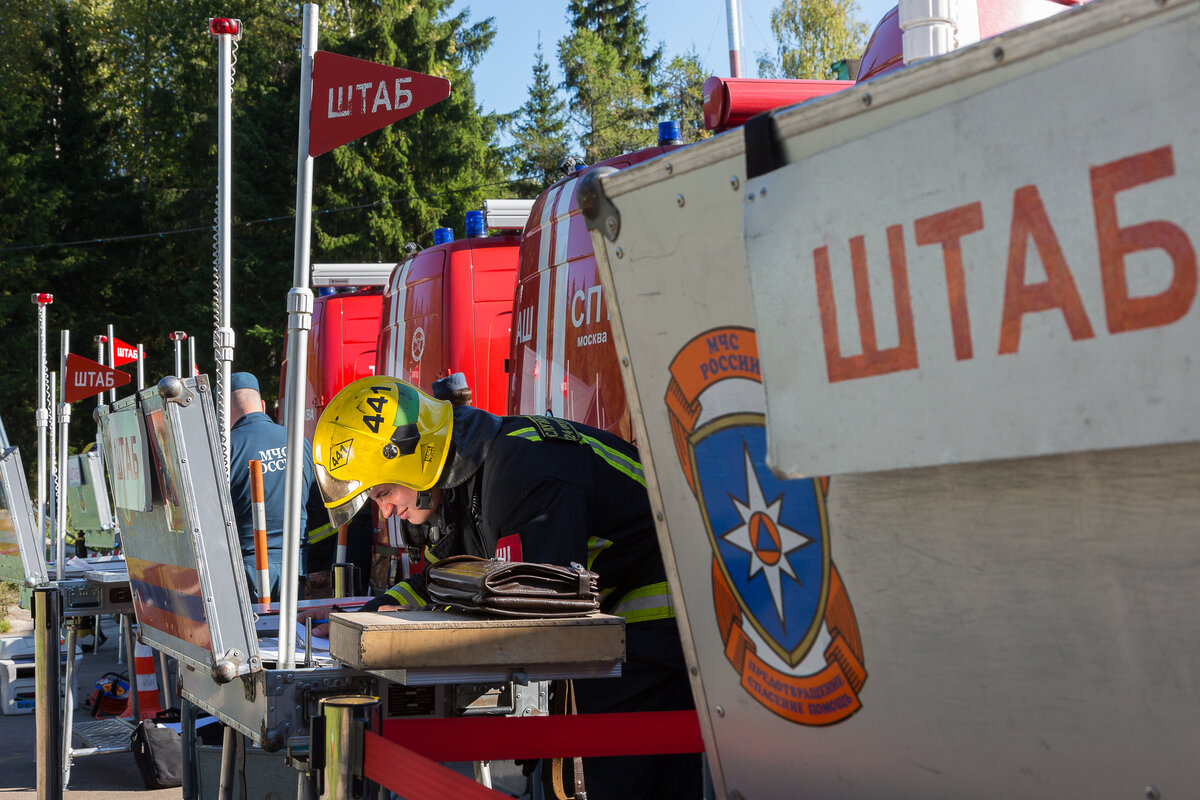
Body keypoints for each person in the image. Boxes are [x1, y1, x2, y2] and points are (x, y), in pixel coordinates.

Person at [312, 376, 700, 800]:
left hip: (657, 633)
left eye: (382, 491)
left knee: (623, 782)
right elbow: (447, 580)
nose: (384, 508)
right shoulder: (468, 481)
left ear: (414, 460)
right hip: (617, 635)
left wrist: (413, 634)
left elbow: (536, 610)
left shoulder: (525, 473)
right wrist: (374, 612)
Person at [227, 371, 316, 602]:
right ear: (263, 405)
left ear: (223, 411)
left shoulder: (225, 452)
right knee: (292, 635)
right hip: (295, 563)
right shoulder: (299, 441)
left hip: (248, 566)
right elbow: (316, 503)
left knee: (254, 637)